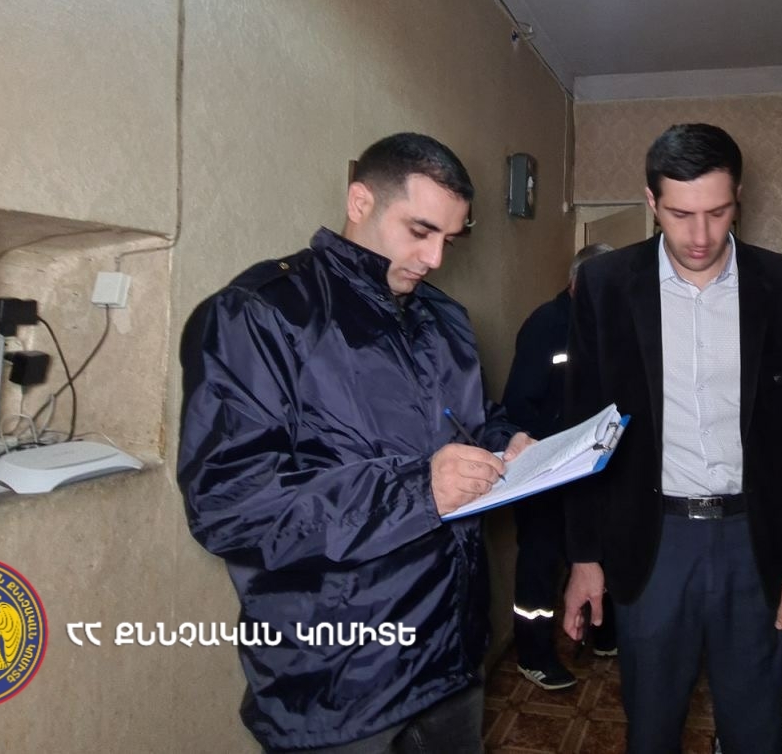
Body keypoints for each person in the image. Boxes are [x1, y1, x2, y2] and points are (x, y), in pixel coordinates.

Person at [177, 132, 533, 753]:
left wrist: (511, 444)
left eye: (449, 240)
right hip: (337, 686)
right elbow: (228, 505)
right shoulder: (259, 314)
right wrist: (419, 490)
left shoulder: (444, 319)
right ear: (360, 201)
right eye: (420, 231)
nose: (435, 258)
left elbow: (471, 423)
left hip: (451, 659)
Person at [561, 123, 782, 753]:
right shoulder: (606, 287)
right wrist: (584, 558)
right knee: (652, 728)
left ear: (737, 197)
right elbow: (583, 432)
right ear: (651, 201)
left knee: (756, 730)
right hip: (652, 541)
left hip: (756, 540)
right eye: (680, 214)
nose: (700, 236)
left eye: (717, 212)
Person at [501, 242, 616, 691]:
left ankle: (602, 633)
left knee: (596, 551)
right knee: (541, 561)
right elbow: (517, 405)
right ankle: (534, 655)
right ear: (575, 284)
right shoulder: (545, 325)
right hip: (547, 470)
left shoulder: (609, 327)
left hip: (593, 468)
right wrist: (557, 444)